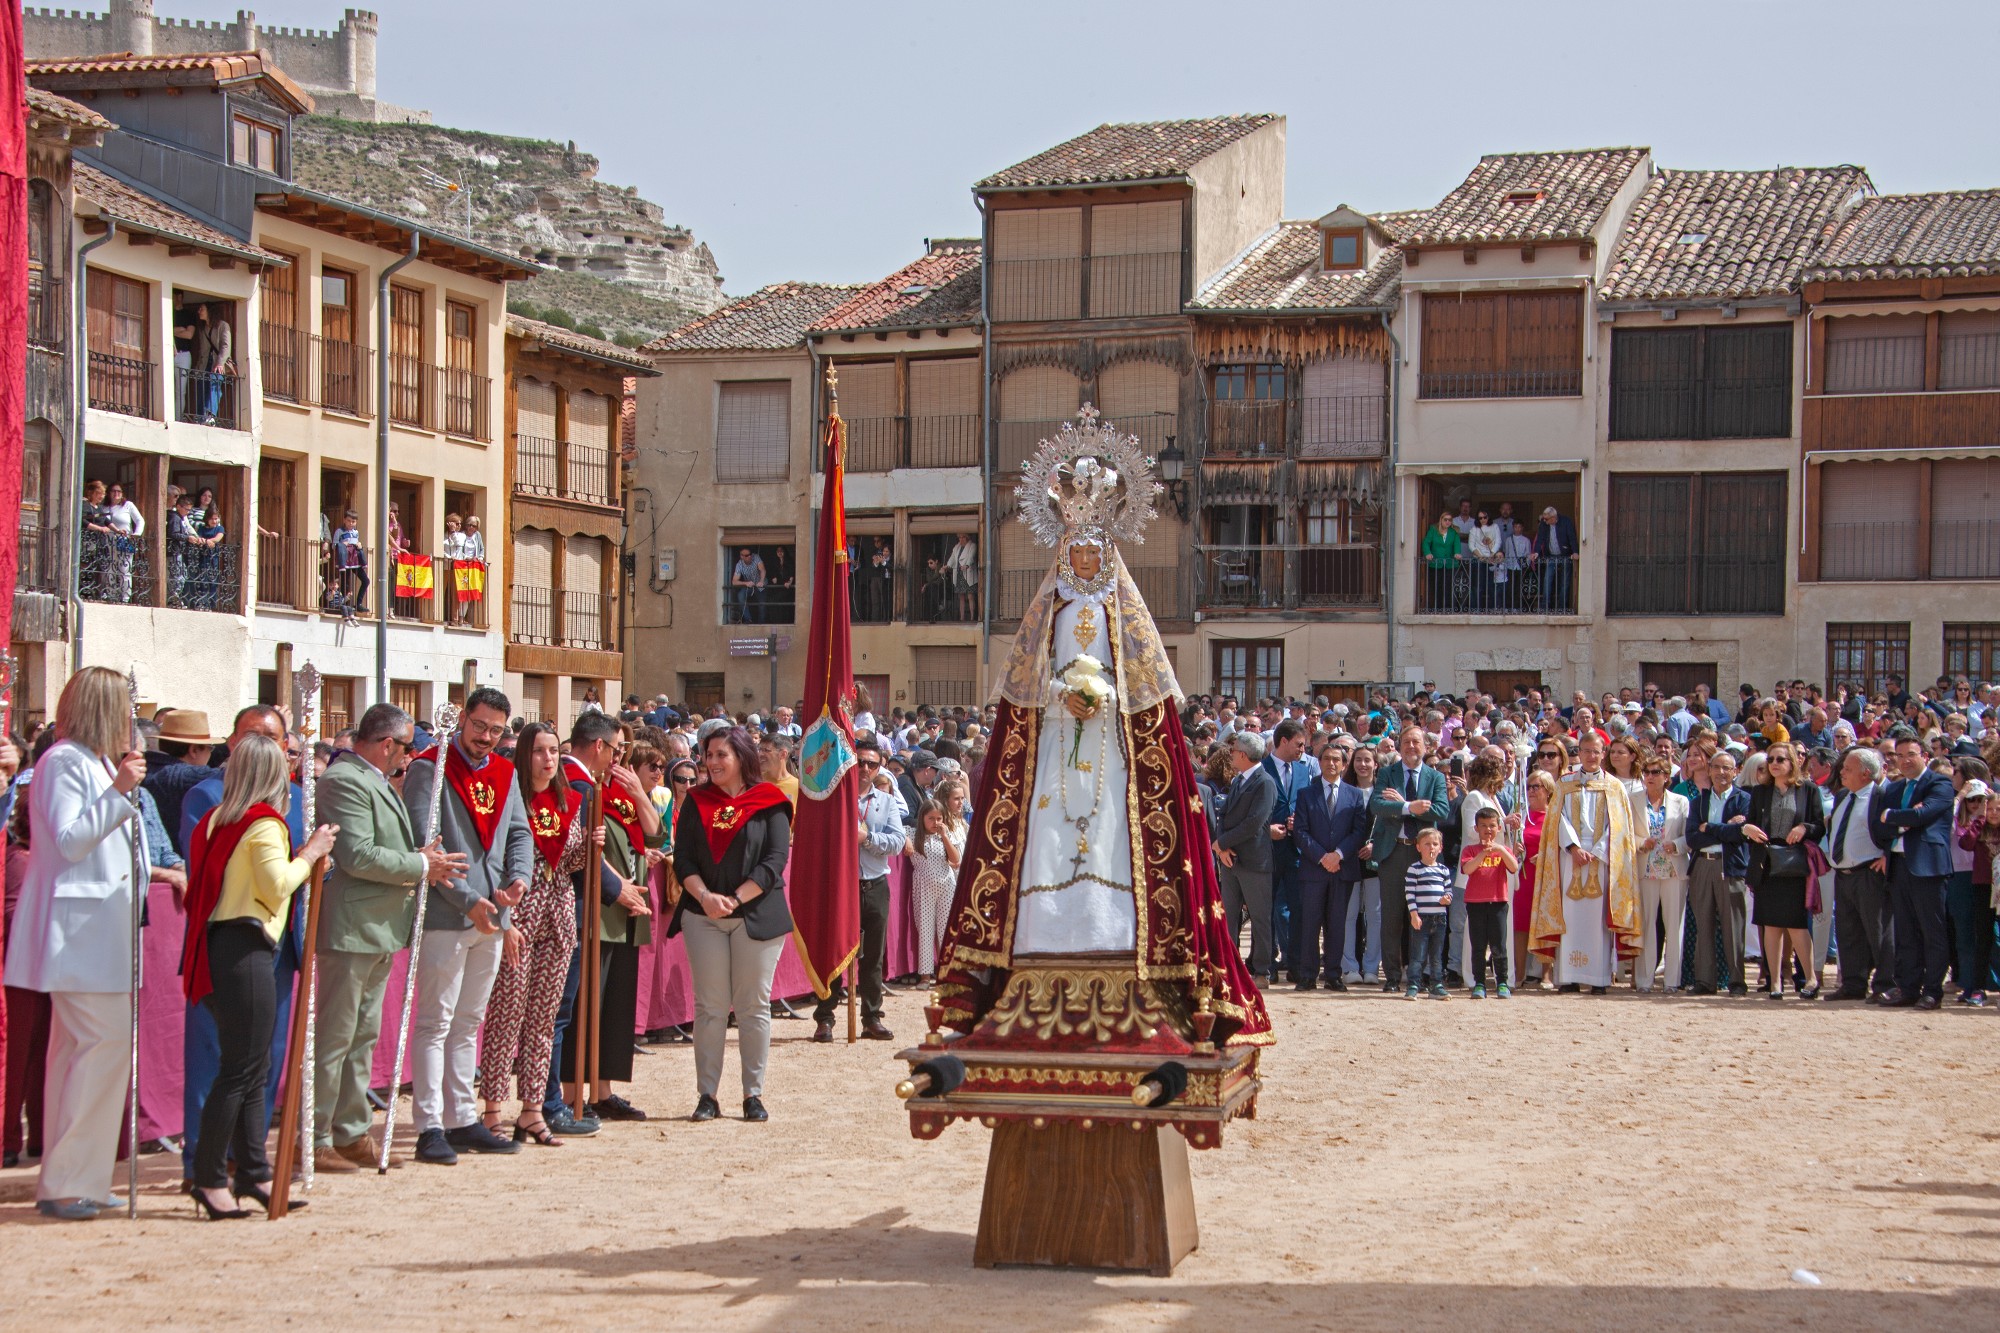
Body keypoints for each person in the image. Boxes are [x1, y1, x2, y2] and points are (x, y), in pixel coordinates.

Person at [931, 422, 1271, 1048]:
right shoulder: (1050, 611)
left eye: (1094, 551)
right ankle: (1040, 938)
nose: (1086, 561)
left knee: (1116, 827)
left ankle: (1116, 933)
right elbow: (1027, 683)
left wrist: (1105, 696)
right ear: (1064, 551)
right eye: (1078, 551)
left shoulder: (1124, 614)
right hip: (1056, 744)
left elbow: (1143, 689)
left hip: (1113, 746)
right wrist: (1060, 694)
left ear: (1108, 553)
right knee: (1045, 831)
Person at [3, 669, 147, 1219]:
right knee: (99, 1048)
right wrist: (118, 793)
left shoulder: (94, 763)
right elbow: (68, 840)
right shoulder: (65, 761)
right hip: (80, 934)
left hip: (96, 934)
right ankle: (68, 1181)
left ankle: (78, 1177)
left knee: (82, 1052)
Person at [180, 735, 335, 1219]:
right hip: (245, 946)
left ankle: (252, 1170)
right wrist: (310, 854)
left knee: (252, 1067)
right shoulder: (264, 824)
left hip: (220, 945)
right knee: (240, 1069)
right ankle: (210, 1177)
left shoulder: (216, 820)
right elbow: (276, 886)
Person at [311, 704, 465, 1174]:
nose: (407, 757)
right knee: (336, 1037)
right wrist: (419, 865)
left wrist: (418, 856)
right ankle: (316, 1136)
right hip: (352, 927)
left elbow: (379, 847)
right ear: (385, 744)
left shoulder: (372, 779)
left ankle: (350, 1130)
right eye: (404, 748)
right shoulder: (344, 780)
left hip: (376, 926)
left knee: (362, 1037)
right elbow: (358, 854)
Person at [402, 689, 534, 1165]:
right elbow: (427, 845)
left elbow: (519, 832)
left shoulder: (504, 771)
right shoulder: (429, 768)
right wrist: (467, 900)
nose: (486, 737)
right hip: (447, 914)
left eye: (496, 730)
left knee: (468, 1022)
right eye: (479, 726)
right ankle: (429, 1124)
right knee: (435, 1021)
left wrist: (519, 878)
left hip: (493, 914)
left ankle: (460, 1117)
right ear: (463, 719)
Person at [174, 704, 303, 1190]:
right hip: (234, 939)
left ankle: (249, 1161)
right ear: (232, 743)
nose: (262, 748)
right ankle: (203, 1164)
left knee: (263, 1062)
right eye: (253, 737)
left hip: (278, 944)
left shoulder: (296, 797)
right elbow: (215, 872)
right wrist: (305, 861)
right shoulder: (209, 798)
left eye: (273, 739)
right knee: (219, 1058)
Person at [670, 726, 793, 1122]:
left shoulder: (770, 800)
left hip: (755, 916)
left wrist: (737, 898)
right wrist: (706, 897)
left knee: (753, 1006)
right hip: (703, 915)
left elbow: (774, 860)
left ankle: (752, 1094)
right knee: (710, 1007)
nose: (713, 762)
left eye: (721, 754)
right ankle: (707, 1095)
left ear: (741, 757)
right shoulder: (697, 800)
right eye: (708, 755)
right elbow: (683, 858)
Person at [479, 723, 589, 1146]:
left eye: (554, 751)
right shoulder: (511, 799)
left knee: (544, 1020)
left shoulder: (569, 800)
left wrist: (588, 846)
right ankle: (492, 1109)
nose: (548, 759)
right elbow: (499, 859)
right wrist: (504, 920)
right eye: (540, 751)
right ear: (525, 755)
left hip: (558, 915)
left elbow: (569, 864)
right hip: (520, 915)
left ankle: (531, 1109)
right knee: (507, 1015)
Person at [556, 711, 660, 1120]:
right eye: (618, 749)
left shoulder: (617, 790)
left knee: (614, 1007)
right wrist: (618, 889)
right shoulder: (578, 785)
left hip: (624, 911)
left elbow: (654, 833)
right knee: (584, 1005)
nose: (620, 758)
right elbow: (585, 851)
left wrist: (639, 793)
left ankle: (602, 1090)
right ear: (600, 746)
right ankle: (571, 1093)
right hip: (599, 907)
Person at [1529, 732, 1642, 994]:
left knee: (1597, 919)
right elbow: (1557, 820)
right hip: (1570, 856)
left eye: (1596, 751)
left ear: (1603, 754)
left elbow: (1619, 826)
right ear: (1579, 752)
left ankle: (1598, 978)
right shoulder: (1565, 783)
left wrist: (1599, 850)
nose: (1591, 756)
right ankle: (1568, 976)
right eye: (1586, 750)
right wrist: (1573, 847)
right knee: (1568, 914)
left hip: (1601, 858)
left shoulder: (1614, 786)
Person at [812, 737, 903, 1042]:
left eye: (871, 764)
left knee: (873, 956)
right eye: (860, 762)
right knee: (834, 951)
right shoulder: (835, 798)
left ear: (879, 768)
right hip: (841, 886)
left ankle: (871, 1017)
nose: (865, 768)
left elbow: (897, 842)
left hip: (874, 884)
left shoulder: (887, 802)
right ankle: (825, 1018)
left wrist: (868, 839)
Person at [1871, 732, 1955, 1009]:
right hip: (1898, 866)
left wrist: (1894, 816)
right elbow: (1878, 826)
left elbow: (1924, 815)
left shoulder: (1939, 783)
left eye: (1911, 755)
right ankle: (1907, 988)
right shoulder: (1894, 789)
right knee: (1905, 932)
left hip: (1928, 867)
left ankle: (1932, 991)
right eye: (1900, 755)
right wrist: (1904, 821)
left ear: (1925, 757)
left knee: (1932, 932)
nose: (1905, 760)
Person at [1369, 726, 1448, 992]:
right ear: (1399, 745)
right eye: (1406, 742)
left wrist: (1405, 806)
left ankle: (1417, 976)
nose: (1411, 746)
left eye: (1416, 742)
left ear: (1425, 746)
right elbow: (1377, 805)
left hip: (1423, 856)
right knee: (1391, 918)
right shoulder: (1387, 773)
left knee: (1422, 919)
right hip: (1393, 853)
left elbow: (1441, 810)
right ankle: (1392, 977)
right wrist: (1408, 806)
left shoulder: (1435, 777)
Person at [1744, 740, 1825, 1000]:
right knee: (1770, 925)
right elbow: (1752, 823)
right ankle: (1775, 981)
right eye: (1770, 760)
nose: (1774, 764)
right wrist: (1748, 829)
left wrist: (1804, 828)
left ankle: (1810, 978)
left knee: (1796, 924)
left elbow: (1819, 826)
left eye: (1780, 759)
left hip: (1793, 862)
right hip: (1766, 862)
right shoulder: (1760, 791)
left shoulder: (1808, 789)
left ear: (1792, 762)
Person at [1292, 739, 1369, 991]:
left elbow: (1358, 832)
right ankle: (1307, 974)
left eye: (1336, 760)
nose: (1331, 763)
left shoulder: (1354, 795)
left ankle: (1333, 974)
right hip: (1313, 869)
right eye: (1326, 759)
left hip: (1342, 869)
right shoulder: (1306, 794)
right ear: (1320, 762)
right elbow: (1300, 832)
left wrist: (1338, 855)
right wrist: (1322, 857)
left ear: (1344, 765)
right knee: (1310, 923)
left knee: (1336, 924)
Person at [1825, 745, 1891, 1001]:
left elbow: (1893, 828)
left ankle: (1884, 984)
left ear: (1865, 773)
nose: (1841, 772)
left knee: (1878, 931)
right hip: (1843, 874)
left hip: (1869, 873)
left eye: (1848, 769)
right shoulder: (1843, 796)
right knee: (1848, 931)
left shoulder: (1881, 796)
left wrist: (1887, 855)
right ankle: (1853, 983)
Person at [1686, 749, 1751, 996]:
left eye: (1726, 768)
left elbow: (1741, 834)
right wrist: (1726, 829)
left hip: (1730, 866)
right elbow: (1693, 838)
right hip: (1702, 865)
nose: (1721, 772)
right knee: (1703, 925)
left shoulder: (1743, 799)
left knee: (1733, 926)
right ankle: (1705, 981)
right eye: (1716, 767)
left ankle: (1737, 982)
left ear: (1735, 772)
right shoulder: (1699, 802)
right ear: (1709, 770)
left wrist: (1711, 828)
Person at [1215, 732, 1279, 976]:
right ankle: (1230, 967)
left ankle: (1262, 969)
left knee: (1260, 917)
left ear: (1243, 754)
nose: (1230, 755)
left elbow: (1254, 823)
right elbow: (1224, 815)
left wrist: (1222, 842)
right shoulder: (1238, 780)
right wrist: (1222, 846)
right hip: (1231, 859)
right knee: (1229, 917)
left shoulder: (1265, 782)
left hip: (1254, 861)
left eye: (1233, 751)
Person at [1261, 720, 1312, 985]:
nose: (1303, 750)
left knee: (1298, 908)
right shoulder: (1261, 768)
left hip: (1295, 850)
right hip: (1267, 850)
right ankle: (1267, 963)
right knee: (1266, 909)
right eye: (1299, 744)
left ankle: (1295, 963)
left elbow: (1306, 805)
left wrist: (1299, 822)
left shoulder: (1303, 771)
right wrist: (1266, 830)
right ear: (1283, 741)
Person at [1634, 756, 1690, 994]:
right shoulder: (1634, 799)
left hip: (1673, 870)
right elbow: (1625, 833)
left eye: (1656, 772)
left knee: (1674, 925)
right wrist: (1641, 842)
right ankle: (1644, 980)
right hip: (1646, 869)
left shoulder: (1680, 801)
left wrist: (1676, 845)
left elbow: (1689, 834)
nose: (1650, 776)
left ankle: (1672, 980)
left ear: (1666, 776)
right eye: (1646, 772)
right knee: (1646, 924)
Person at [1459, 807, 1518, 998]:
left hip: (1498, 902)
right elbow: (1467, 869)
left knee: (1499, 946)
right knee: (1478, 946)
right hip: (1475, 903)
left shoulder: (1503, 850)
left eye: (1492, 825)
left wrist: (1500, 849)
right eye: (1483, 825)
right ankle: (1479, 983)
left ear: (1499, 828)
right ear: (1476, 828)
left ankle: (1502, 982)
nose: (1488, 830)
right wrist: (1482, 854)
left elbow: (1513, 867)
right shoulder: (1470, 850)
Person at [906, 795, 963, 981]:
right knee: (925, 929)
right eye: (931, 818)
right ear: (922, 818)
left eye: (939, 818)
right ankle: (925, 976)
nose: (935, 822)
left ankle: (945, 973)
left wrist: (945, 836)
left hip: (946, 885)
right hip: (924, 886)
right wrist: (905, 839)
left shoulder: (947, 835)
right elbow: (898, 829)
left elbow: (955, 860)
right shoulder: (913, 834)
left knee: (946, 930)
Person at [1339, 744, 1383, 985]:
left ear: (1376, 764)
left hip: (1375, 861)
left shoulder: (1383, 792)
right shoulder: (1344, 790)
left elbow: (1389, 826)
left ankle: (1372, 968)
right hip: (1349, 859)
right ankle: (1349, 967)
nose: (1363, 765)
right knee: (1348, 915)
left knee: (1375, 916)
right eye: (1358, 760)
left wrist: (1376, 845)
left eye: (1368, 760)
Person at [1950, 778, 1995, 1005]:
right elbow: (1966, 843)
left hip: (1993, 884)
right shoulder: (1973, 823)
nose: (1977, 804)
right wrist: (1980, 817)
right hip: (1974, 882)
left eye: (1982, 800)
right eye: (1972, 800)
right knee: (1975, 936)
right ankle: (1974, 986)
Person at [1514, 770, 1554, 989]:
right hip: (1524, 875)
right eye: (1529, 787)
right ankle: (1519, 973)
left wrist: (1547, 856)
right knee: (1521, 926)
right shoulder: (1522, 816)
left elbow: (1562, 845)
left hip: (1546, 876)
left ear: (1548, 790)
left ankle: (1546, 974)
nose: (1531, 791)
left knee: (1545, 924)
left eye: (1536, 787)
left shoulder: (1555, 816)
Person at [1403, 828, 1453, 1000]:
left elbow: (1449, 891)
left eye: (1435, 844)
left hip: (1440, 919)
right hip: (1421, 919)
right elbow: (1410, 894)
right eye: (1427, 844)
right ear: (1418, 847)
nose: (1431, 847)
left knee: (1436, 957)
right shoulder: (1414, 869)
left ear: (1440, 848)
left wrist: (1447, 899)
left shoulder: (1444, 870)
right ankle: (1413, 985)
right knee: (1417, 956)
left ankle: (1436, 986)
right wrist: (1414, 915)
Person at [102, 482, 144, 604]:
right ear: (109, 493)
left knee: (124, 569)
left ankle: (125, 597)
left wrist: (136, 534)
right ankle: (111, 594)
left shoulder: (127, 505)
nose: (116, 493)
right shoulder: (104, 507)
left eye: (119, 491)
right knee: (110, 568)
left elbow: (140, 520)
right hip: (108, 542)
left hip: (124, 541)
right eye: (113, 491)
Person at [1533, 505, 1577, 612]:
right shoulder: (1544, 524)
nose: (1544, 520)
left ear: (1553, 517)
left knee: (1564, 582)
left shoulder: (1566, 521)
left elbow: (1572, 537)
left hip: (1565, 555)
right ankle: (1545, 607)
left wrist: (1575, 552)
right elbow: (1540, 538)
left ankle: (1562, 608)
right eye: (1544, 518)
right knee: (1547, 579)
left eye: (1546, 519)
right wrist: (1536, 552)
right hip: (1551, 555)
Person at [1422, 511, 1461, 610]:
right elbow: (1426, 542)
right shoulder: (1433, 529)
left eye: (1450, 520)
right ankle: (1438, 608)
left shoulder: (1453, 532)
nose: (1447, 522)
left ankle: (1448, 608)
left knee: (1449, 586)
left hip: (1450, 564)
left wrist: (1457, 553)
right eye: (1445, 520)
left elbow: (1457, 544)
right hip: (1436, 563)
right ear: (1441, 520)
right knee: (1437, 586)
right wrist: (1427, 553)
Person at [730, 547, 766, 624]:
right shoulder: (739, 564)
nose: (749, 556)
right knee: (740, 595)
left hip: (760, 584)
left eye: (750, 554)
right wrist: (745, 583)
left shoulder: (756, 557)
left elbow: (762, 570)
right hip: (749, 585)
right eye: (746, 555)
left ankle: (761, 623)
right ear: (741, 556)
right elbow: (734, 581)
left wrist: (761, 581)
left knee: (762, 603)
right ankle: (748, 619)